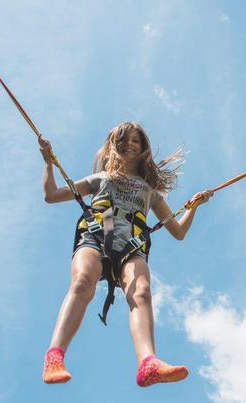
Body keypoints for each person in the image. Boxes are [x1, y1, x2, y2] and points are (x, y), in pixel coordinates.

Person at [38, 121, 212, 387]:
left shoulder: (150, 191)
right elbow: (51, 195)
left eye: (136, 141)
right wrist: (49, 162)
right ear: (113, 146)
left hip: (131, 244)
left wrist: (194, 207)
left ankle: (149, 363)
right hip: (98, 234)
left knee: (141, 291)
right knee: (84, 281)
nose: (130, 144)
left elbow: (177, 231)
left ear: (143, 149)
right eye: (124, 140)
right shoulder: (99, 179)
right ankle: (55, 356)